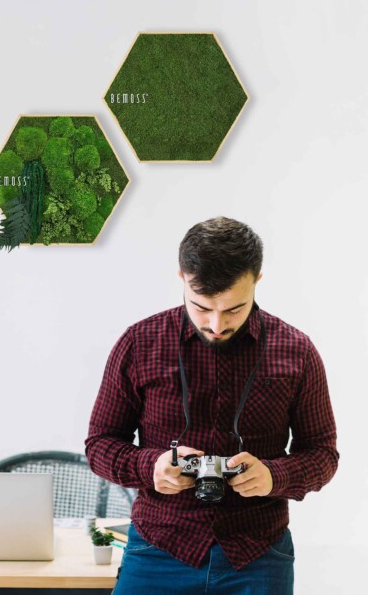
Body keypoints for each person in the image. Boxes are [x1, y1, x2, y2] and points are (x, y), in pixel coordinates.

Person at [85, 216, 339, 594]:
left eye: (234, 309)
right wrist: (150, 466)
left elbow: (323, 454)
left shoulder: (297, 351)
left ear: (257, 280)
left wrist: (273, 476)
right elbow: (100, 444)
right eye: (202, 307)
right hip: (157, 548)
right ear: (182, 278)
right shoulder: (139, 344)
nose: (217, 324)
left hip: (258, 555)